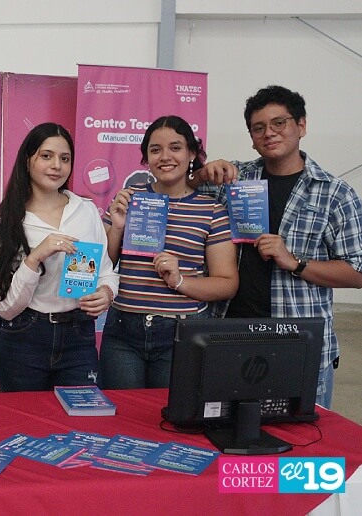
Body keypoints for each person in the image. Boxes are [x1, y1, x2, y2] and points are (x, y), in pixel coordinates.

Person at [196, 85, 362, 408]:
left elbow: (357, 272)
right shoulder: (235, 179)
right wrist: (202, 173)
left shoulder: (335, 193)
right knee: (222, 429)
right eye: (258, 128)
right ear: (251, 138)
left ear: (301, 126)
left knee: (300, 434)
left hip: (297, 343)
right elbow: (180, 191)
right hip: (230, 334)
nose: (269, 133)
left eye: (279, 123)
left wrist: (296, 262)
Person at [99, 115, 238, 389]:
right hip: (123, 330)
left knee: (172, 412)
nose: (165, 157)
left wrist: (180, 281)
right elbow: (102, 265)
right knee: (122, 411)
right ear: (146, 158)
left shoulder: (212, 210)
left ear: (192, 153)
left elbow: (227, 284)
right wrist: (117, 226)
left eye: (175, 148)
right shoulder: (128, 199)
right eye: (155, 150)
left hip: (181, 332)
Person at [0, 122, 118, 391]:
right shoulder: (7, 220)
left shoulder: (85, 210)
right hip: (24, 337)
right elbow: (5, 308)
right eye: (46, 156)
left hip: (79, 336)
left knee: (85, 414)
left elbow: (106, 271)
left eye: (64, 158)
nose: (56, 165)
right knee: (27, 417)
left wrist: (106, 293)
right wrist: (34, 258)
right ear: (28, 161)